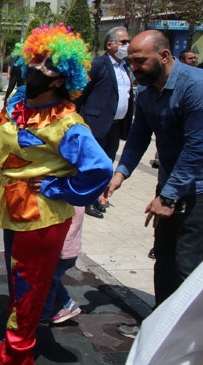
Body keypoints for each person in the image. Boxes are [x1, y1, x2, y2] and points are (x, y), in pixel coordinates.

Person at [0, 24, 114, 365]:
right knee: (17, 280)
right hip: (14, 207)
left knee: (30, 286)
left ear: (59, 79)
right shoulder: (20, 101)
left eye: (45, 65)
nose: (35, 68)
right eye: (34, 58)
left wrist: (59, 187)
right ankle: (16, 340)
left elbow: (100, 169)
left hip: (43, 216)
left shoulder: (68, 123)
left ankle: (16, 355)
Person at [105, 30, 203, 339]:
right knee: (163, 259)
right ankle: (159, 328)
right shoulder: (146, 92)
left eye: (139, 61)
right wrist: (119, 174)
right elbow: (137, 138)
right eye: (130, 61)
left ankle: (188, 340)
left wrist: (169, 197)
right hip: (169, 188)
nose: (133, 68)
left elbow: (196, 147)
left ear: (164, 56)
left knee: (188, 267)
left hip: (196, 191)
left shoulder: (195, 87)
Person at [76, 26, 134, 219]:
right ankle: (87, 200)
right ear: (110, 45)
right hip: (96, 124)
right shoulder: (99, 64)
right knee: (93, 164)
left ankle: (99, 196)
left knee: (107, 163)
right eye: (123, 42)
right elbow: (81, 93)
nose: (127, 45)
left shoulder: (125, 67)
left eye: (128, 42)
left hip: (115, 126)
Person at [42, 206, 84, 325]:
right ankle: (64, 303)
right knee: (49, 276)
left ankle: (62, 306)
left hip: (63, 250)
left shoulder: (71, 203)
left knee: (49, 277)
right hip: (64, 249)